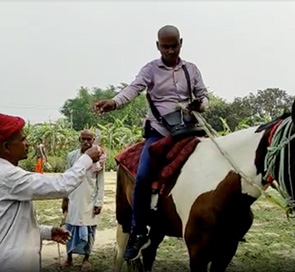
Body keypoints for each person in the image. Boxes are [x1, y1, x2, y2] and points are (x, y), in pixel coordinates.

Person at [95, 25, 209, 261]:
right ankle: (138, 230)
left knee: (217, 166)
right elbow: (132, 89)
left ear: (181, 43)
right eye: (165, 46)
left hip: (190, 129)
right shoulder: (150, 70)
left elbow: (203, 95)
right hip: (160, 132)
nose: (170, 50)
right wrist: (114, 103)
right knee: (144, 175)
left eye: (174, 45)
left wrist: (201, 104)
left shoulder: (191, 69)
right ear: (158, 46)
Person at [0, 113, 101, 272]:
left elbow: (11, 225)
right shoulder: (7, 175)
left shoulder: (9, 174)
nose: (28, 143)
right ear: (6, 146)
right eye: (22, 139)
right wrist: (87, 159)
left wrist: (46, 232)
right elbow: (60, 185)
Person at [61, 130, 105, 271]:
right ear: (79, 139)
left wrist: (99, 202)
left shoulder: (99, 157)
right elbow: (66, 178)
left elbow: (100, 182)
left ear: (94, 140)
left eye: (89, 139)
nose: (86, 142)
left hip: (89, 200)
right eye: (83, 139)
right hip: (73, 199)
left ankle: (86, 259)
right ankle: (69, 258)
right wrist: (65, 199)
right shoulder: (71, 156)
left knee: (89, 229)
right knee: (69, 228)